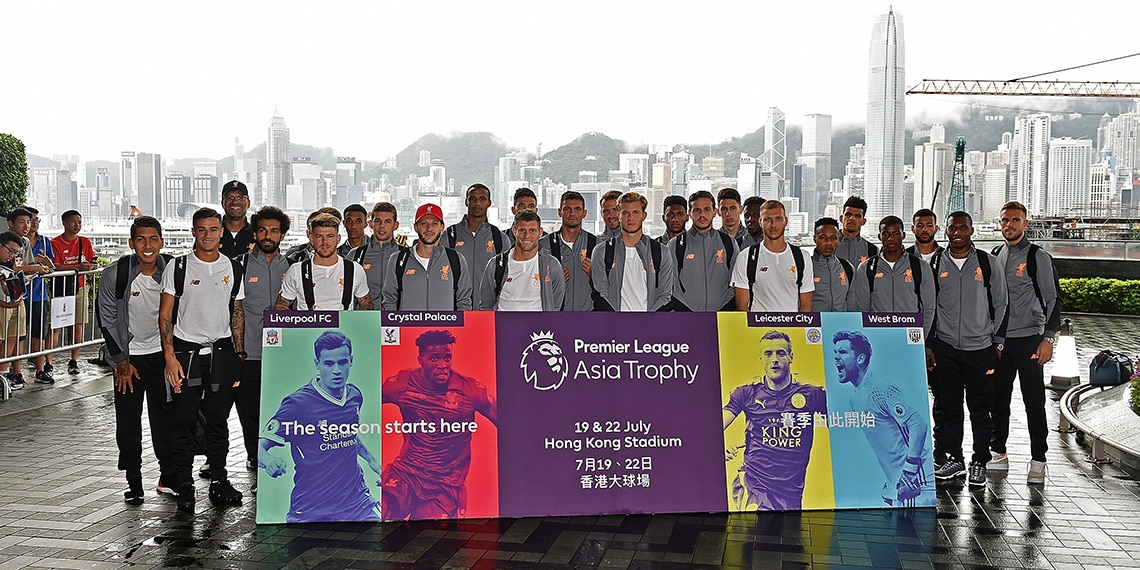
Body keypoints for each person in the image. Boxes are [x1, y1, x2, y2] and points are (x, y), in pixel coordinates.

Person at [159, 207, 246, 512]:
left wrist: (239, 354)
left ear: (222, 232)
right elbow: (165, 314)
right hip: (186, 354)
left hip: (222, 354)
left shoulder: (233, 268)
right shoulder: (179, 266)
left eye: (213, 229)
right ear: (193, 232)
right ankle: (183, 483)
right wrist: (169, 357)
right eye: (201, 229)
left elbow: (237, 312)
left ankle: (220, 480)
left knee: (218, 421)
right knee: (182, 420)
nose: (207, 235)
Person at [260, 330, 383, 523]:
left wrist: (372, 461)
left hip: (358, 502)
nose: (336, 371)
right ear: (317, 364)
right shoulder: (298, 403)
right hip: (311, 506)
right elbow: (260, 448)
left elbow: (348, 435)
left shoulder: (354, 396)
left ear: (351, 360)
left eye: (342, 362)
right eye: (328, 363)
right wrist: (269, 462)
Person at [928, 211, 1008, 491]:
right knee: (949, 408)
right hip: (947, 347)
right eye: (952, 228)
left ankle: (979, 461)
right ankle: (955, 459)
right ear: (946, 231)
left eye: (963, 227)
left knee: (980, 409)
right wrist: (931, 344)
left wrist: (997, 342)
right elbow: (930, 306)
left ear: (972, 230)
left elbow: (1002, 304)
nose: (957, 232)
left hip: (980, 349)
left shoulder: (988, 262)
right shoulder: (937, 261)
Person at [96, 216, 173, 505]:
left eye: (153, 239)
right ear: (131, 243)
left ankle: (168, 476)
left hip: (162, 358)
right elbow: (107, 320)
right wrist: (120, 363)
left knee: (164, 420)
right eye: (140, 239)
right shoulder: (115, 275)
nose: (147, 245)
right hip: (128, 362)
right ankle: (133, 480)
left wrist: (173, 356)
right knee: (128, 424)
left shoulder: (171, 271)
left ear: (161, 242)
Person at [381, 330, 497, 520]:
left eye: (447, 358)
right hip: (406, 472)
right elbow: (361, 402)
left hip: (446, 483)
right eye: (434, 358)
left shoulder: (469, 390)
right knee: (379, 514)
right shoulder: (402, 384)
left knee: (425, 537)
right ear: (421, 359)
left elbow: (509, 421)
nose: (443, 365)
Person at [988, 201, 1061, 485]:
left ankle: (1039, 459)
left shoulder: (1037, 257)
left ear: (1025, 223)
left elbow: (1054, 299)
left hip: (1030, 340)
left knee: (1034, 401)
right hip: (1000, 343)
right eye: (1005, 220)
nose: (1009, 225)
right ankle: (999, 453)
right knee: (998, 400)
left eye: (1015, 220)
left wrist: (1048, 338)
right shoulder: (996, 255)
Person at [722, 330, 827, 510]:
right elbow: (710, 428)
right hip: (754, 483)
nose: (774, 359)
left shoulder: (812, 393)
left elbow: (843, 423)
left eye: (780, 353)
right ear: (761, 358)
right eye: (768, 354)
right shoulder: (747, 393)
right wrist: (717, 450)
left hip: (791, 491)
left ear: (791, 356)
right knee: (755, 531)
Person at [832, 330, 931, 506]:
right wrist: (891, 480)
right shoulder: (855, 397)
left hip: (918, 483)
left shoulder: (879, 389)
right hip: (900, 488)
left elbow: (918, 423)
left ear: (861, 359)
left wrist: (909, 470)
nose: (836, 358)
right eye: (835, 353)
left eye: (843, 352)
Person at [234, 207, 292, 489]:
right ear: (254, 233)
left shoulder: (294, 266)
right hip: (250, 354)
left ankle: (281, 466)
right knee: (249, 413)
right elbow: (234, 310)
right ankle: (256, 462)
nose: (268, 236)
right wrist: (238, 351)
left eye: (274, 231)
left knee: (280, 414)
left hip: (283, 357)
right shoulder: (240, 265)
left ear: (282, 234)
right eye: (262, 230)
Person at [847, 216, 936, 338]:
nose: (891, 238)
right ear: (879, 237)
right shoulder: (866, 268)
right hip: (877, 338)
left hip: (911, 339)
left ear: (903, 235)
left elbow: (929, 309)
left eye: (896, 233)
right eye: (886, 234)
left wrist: (922, 341)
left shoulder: (920, 267)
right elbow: (861, 310)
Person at [905, 208, 947, 466]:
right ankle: (910, 450)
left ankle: (941, 452)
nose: (924, 229)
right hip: (910, 343)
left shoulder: (948, 257)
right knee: (909, 398)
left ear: (936, 228)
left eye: (929, 225)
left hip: (942, 338)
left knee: (941, 398)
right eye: (919, 225)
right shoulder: (903, 257)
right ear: (912, 229)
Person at [590, 192, 675, 311]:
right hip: (614, 325)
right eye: (625, 213)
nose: (630, 218)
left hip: (649, 325)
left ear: (644, 215)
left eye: (635, 212)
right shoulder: (601, 251)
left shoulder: (661, 252)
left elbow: (665, 296)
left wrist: (646, 320)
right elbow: (600, 294)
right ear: (619, 215)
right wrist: (618, 320)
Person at [381, 203, 473, 311]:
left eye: (434, 223)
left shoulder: (456, 259)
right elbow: (389, 300)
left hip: (445, 328)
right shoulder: (398, 259)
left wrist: (458, 327)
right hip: (408, 327)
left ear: (442, 227)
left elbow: (464, 301)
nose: (429, 228)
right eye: (424, 223)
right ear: (416, 227)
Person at [276, 213, 371, 311]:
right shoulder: (296, 270)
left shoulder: (354, 269)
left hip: (345, 325)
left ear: (338, 239)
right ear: (312, 239)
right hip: (307, 325)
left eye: (330, 236)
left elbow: (367, 304)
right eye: (319, 236)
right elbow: (281, 306)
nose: (325, 242)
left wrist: (357, 324)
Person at [731, 200, 813, 312]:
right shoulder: (746, 257)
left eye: (778, 219)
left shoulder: (803, 257)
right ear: (760, 222)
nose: (773, 224)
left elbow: (806, 307)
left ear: (786, 221)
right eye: (768, 219)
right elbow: (742, 307)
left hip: (792, 328)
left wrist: (795, 329)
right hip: (757, 328)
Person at [478, 211, 564, 311]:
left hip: (539, 325)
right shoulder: (495, 265)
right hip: (504, 325)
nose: (527, 236)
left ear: (540, 232)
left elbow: (556, 304)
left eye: (532, 230)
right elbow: (486, 305)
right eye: (522, 230)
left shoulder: (551, 264)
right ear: (515, 231)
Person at [667, 190, 737, 311]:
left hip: (721, 318)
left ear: (715, 212)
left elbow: (735, 283)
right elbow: (671, 286)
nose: (702, 215)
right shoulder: (675, 245)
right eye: (697, 210)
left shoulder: (729, 243)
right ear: (690, 213)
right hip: (686, 318)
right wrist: (687, 313)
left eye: (706, 209)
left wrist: (723, 311)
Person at [50, 210, 98, 375]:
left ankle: (74, 361)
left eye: (79, 222)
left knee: (79, 326)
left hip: (81, 287)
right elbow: (54, 266)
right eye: (73, 222)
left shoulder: (84, 241)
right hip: (62, 289)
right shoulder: (55, 243)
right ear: (64, 223)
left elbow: (92, 260)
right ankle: (48, 361)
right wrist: (77, 267)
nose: (77, 225)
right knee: (57, 326)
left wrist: (91, 266)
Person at [445, 184, 506, 305]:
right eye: (472, 199)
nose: (477, 203)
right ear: (466, 202)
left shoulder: (499, 238)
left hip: (487, 309)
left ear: (489, 202)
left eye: (482, 199)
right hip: (456, 308)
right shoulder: (450, 235)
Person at [540, 191, 597, 312]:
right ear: (559, 212)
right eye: (567, 209)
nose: (572, 213)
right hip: (555, 316)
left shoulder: (596, 245)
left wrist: (596, 273)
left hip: (589, 316)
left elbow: (611, 285)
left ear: (584, 213)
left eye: (577, 209)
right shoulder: (543, 245)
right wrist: (552, 277)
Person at [347, 202, 404, 308]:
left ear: (395, 225)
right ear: (370, 224)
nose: (382, 226)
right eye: (377, 221)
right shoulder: (355, 255)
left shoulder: (406, 256)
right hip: (365, 321)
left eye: (387, 221)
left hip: (396, 320)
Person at [23, 207, 56, 384]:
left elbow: (52, 267)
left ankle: (40, 370)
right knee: (17, 336)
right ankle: (14, 371)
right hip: (18, 296)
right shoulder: (15, 242)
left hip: (38, 295)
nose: (33, 224)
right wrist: (31, 266)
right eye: (29, 220)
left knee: (39, 334)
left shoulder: (44, 241)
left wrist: (46, 263)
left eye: (36, 220)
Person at [0, 232, 27, 392]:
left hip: (12, 305)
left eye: (15, 253)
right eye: (10, 251)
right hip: (4, 306)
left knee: (12, 338)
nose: (12, 256)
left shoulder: (8, 263)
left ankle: (3, 375)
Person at [809, 218, 852, 312]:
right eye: (823, 237)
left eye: (833, 238)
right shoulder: (805, 266)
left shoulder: (847, 267)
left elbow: (853, 303)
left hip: (841, 324)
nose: (828, 242)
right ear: (815, 239)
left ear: (839, 240)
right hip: (813, 325)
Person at [836, 196, 878, 265]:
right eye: (848, 214)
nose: (852, 218)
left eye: (857, 216)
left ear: (864, 221)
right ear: (841, 218)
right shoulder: (829, 247)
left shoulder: (872, 250)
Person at [219, 180, 255, 259]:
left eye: (240, 197)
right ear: (222, 203)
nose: (235, 202)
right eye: (229, 197)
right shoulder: (212, 234)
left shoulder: (256, 234)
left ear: (248, 203)